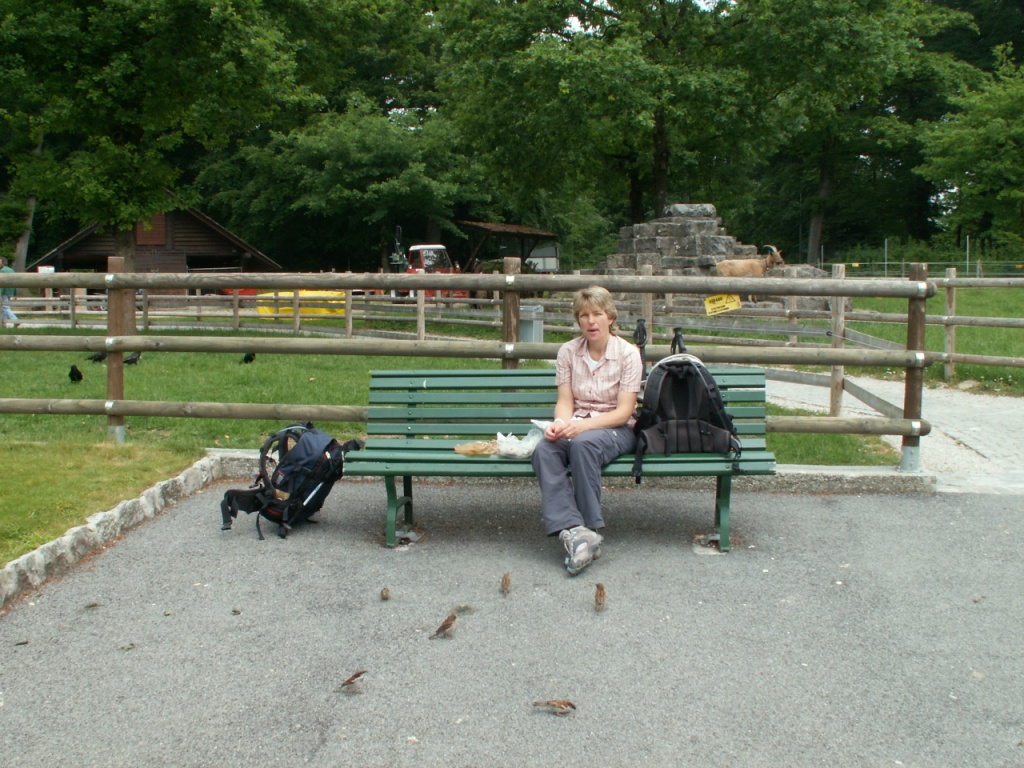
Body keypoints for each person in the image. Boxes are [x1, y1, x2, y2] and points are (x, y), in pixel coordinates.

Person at [532, 286, 643, 575]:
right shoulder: (568, 352)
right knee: (545, 450)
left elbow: (624, 411)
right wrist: (559, 424)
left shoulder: (628, 354)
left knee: (583, 445)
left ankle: (590, 526)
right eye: (584, 315)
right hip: (577, 423)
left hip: (615, 428)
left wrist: (582, 426)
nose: (590, 321)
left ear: (610, 317)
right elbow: (565, 401)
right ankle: (574, 531)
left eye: (597, 314)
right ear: (578, 320)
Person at [1, 256, 18, 326]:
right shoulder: (11, 270)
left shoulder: (2, 271)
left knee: (5, 307)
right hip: (11, 291)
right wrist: (15, 293)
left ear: (3, 263)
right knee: (4, 307)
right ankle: (3, 324)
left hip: (4, 291)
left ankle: (15, 320)